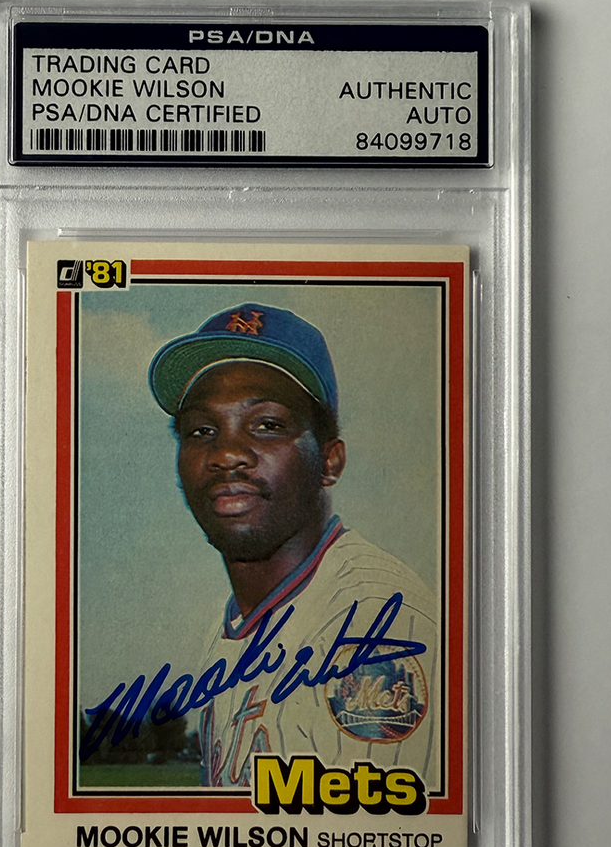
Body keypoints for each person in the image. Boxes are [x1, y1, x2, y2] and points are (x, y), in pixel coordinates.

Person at [148, 303, 440, 792]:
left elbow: (380, 838)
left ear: (329, 462)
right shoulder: (234, 626)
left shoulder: (374, 621)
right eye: (202, 430)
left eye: (267, 424)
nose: (226, 453)